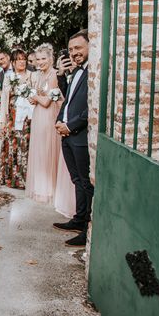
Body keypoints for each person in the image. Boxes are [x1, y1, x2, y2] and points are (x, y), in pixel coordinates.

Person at [53, 31, 94, 247]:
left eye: (78, 48)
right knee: (76, 180)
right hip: (67, 136)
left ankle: (87, 228)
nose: (74, 53)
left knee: (86, 183)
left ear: (90, 46)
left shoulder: (93, 73)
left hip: (80, 136)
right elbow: (67, 100)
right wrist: (60, 121)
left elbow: (92, 109)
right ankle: (78, 219)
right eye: (71, 50)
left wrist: (71, 125)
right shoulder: (77, 71)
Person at [25, 43, 61, 204]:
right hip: (38, 115)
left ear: (51, 58)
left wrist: (34, 96)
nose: (40, 62)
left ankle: (50, 189)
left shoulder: (54, 75)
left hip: (49, 115)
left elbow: (47, 101)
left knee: (48, 149)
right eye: (38, 59)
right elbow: (39, 98)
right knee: (39, 149)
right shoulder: (39, 75)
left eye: (43, 58)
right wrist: (32, 97)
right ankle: (40, 187)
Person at [0, 49, 33, 189]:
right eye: (18, 59)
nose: (22, 61)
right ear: (13, 62)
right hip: (12, 117)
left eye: (24, 59)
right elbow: (4, 99)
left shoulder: (32, 76)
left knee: (25, 146)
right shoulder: (8, 77)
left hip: (28, 119)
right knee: (12, 145)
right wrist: (2, 121)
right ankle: (12, 177)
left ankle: (26, 179)